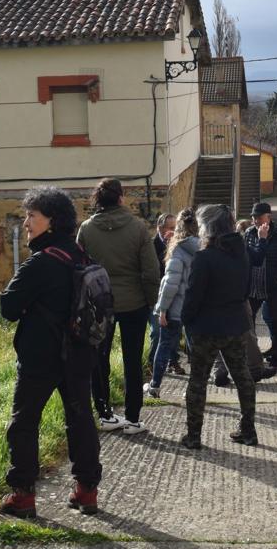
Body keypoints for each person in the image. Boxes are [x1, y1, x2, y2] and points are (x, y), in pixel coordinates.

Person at [0, 187, 102, 518]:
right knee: (81, 420)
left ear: (52, 222)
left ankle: (23, 497)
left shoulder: (41, 263)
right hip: (80, 354)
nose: (26, 223)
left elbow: (9, 307)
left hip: (40, 358)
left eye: (32, 216)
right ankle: (87, 492)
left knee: (24, 424)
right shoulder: (82, 257)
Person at [77, 178, 159, 434]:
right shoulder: (138, 228)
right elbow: (150, 271)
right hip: (134, 302)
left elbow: (79, 268)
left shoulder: (87, 229)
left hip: (99, 304)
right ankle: (133, 418)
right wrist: (151, 301)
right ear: (121, 198)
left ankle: (104, 414)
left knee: (98, 358)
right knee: (132, 360)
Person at [179, 203, 257, 449]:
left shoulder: (204, 257)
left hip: (206, 327)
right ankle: (248, 430)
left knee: (198, 380)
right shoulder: (242, 252)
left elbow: (193, 296)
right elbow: (246, 290)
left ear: (209, 227)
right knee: (242, 377)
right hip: (235, 323)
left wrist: (186, 320)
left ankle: (193, 436)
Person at [146, 209, 198, 398]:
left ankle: (155, 386)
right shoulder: (203, 247)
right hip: (195, 308)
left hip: (175, 308)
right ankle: (194, 389)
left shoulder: (178, 248)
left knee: (164, 344)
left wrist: (162, 309)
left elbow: (170, 283)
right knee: (195, 350)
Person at [244, 202, 277, 368]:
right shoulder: (249, 233)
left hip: (273, 286)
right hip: (252, 287)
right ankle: (253, 352)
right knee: (249, 320)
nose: (256, 220)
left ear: (268, 217)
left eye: (259, 217)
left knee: (275, 320)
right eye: (253, 217)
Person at [148, 213, 182, 377]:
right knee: (157, 331)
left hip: (175, 295)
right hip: (156, 295)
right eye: (171, 228)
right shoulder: (151, 245)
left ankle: (173, 361)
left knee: (175, 331)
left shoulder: (179, 245)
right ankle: (152, 364)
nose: (174, 231)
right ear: (160, 228)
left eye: (176, 228)